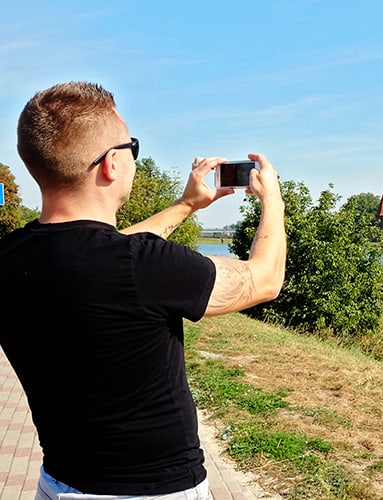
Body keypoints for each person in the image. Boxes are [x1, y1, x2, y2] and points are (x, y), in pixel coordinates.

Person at [0, 81, 286, 498]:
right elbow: (264, 280)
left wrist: (186, 205)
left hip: (58, 483)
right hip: (154, 490)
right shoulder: (143, 266)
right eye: (131, 147)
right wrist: (273, 201)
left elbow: (100, 250)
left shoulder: (10, 257)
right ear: (110, 164)